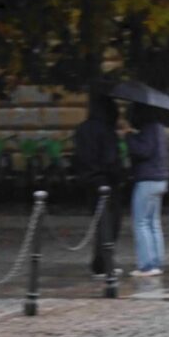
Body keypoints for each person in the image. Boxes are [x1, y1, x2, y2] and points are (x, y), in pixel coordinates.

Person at [72, 93, 122, 277]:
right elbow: (111, 160)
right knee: (110, 224)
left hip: (88, 180)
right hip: (106, 182)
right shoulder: (106, 130)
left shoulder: (82, 129)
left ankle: (99, 264)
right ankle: (104, 264)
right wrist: (119, 173)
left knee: (99, 222)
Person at [121, 103, 169, 277]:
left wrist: (128, 136)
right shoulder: (160, 129)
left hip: (147, 180)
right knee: (153, 223)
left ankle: (146, 265)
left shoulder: (149, 130)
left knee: (141, 223)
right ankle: (156, 262)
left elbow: (142, 151)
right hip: (160, 179)